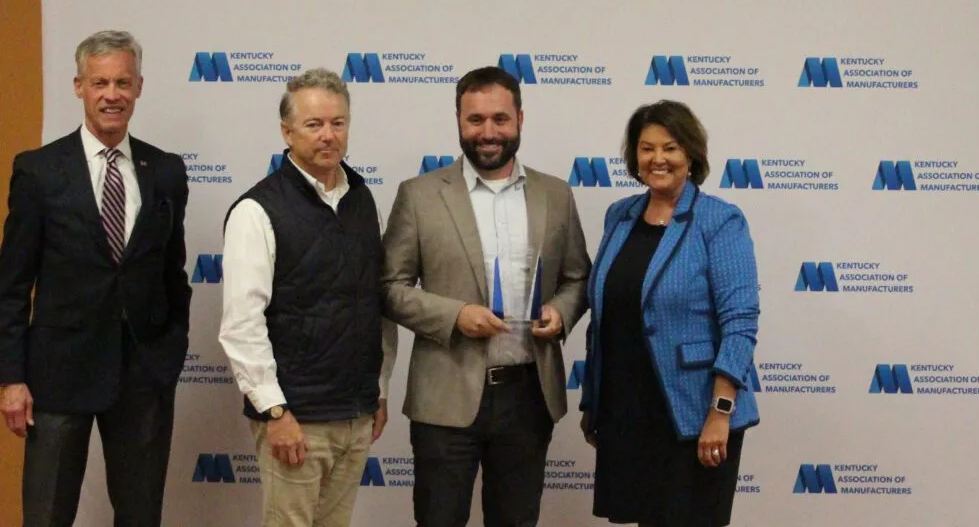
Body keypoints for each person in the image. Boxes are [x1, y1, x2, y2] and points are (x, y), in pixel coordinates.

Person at [381, 66, 591, 527]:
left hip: (529, 397)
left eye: (500, 119)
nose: (488, 132)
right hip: (445, 397)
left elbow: (579, 278)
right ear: (458, 119)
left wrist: (560, 313)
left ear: (520, 118)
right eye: (475, 120)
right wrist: (454, 315)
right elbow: (388, 289)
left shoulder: (556, 194)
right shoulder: (418, 196)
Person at [0, 30, 192, 525]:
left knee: (140, 514)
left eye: (122, 83)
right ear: (79, 86)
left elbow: (173, 273)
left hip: (142, 377)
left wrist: (167, 356)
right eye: (100, 82)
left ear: (140, 87)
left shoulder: (166, 170)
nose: (112, 95)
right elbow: (13, 286)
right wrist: (12, 378)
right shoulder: (39, 171)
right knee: (47, 514)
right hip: (56, 375)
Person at [219, 68, 396, 527]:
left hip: (355, 413)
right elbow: (242, 324)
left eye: (338, 123)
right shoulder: (256, 211)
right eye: (314, 125)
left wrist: (378, 391)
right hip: (295, 418)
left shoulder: (361, 199)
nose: (328, 136)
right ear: (287, 131)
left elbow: (373, 304)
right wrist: (274, 411)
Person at [580, 100, 760, 527]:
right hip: (628, 408)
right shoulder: (619, 215)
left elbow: (740, 322)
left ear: (691, 155)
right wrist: (595, 400)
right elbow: (608, 313)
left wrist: (720, 410)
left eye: (671, 148)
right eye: (646, 148)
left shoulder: (719, 220)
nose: (657, 158)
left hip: (694, 413)